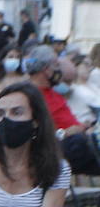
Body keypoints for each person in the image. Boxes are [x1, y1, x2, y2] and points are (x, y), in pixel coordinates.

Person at [24, 45, 100, 175]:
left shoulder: (54, 92)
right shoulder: (29, 95)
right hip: (57, 147)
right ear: (47, 70)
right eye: (56, 65)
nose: (59, 70)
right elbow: (33, 134)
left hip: (79, 140)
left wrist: (84, 127)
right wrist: (64, 133)